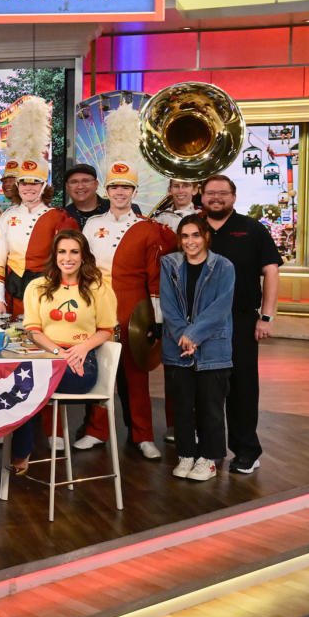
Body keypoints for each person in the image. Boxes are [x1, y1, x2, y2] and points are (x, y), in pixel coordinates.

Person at [76, 160, 170, 460]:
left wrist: (157, 317)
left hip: (134, 306)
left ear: (134, 191)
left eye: (125, 187)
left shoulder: (146, 228)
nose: (120, 192)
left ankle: (143, 435)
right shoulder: (92, 224)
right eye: (115, 186)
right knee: (99, 368)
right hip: (96, 305)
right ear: (107, 189)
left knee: (135, 372)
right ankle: (95, 431)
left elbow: (154, 275)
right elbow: (82, 267)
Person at [8, 230, 116, 474]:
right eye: (62, 252)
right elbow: (33, 331)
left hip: (81, 361)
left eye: (74, 252)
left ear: (84, 256)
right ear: (55, 255)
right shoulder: (37, 287)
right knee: (26, 382)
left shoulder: (99, 288)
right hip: (48, 357)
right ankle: (18, 448)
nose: (68, 258)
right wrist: (60, 353)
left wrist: (80, 349)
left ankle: (19, 453)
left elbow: (106, 330)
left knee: (29, 386)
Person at [201, 173, 281, 474]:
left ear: (233, 197)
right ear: (202, 196)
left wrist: (266, 316)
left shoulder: (252, 229)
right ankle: (208, 449)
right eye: (210, 193)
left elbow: (271, 272)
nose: (216, 197)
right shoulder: (194, 230)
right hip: (201, 323)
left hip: (242, 320)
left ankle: (248, 450)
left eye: (223, 192)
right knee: (205, 388)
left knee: (242, 388)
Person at [160, 215, 235, 482]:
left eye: (195, 235)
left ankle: (209, 458)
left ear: (205, 236)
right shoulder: (168, 264)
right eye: (185, 236)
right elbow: (168, 306)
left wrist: (194, 335)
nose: (190, 241)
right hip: (177, 347)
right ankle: (186, 454)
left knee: (210, 407)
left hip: (212, 349)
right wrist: (183, 335)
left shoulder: (224, 267)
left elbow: (220, 308)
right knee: (181, 405)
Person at [0, 158, 73, 317]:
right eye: (24, 183)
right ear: (17, 186)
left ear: (44, 186)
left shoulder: (59, 217)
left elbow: (69, 265)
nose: (28, 188)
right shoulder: (7, 217)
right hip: (13, 299)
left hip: (49, 300)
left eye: (35, 183)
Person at [61, 163, 110, 229]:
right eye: (74, 182)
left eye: (86, 181)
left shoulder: (114, 210)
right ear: (67, 187)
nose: (80, 186)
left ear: (96, 184)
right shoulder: (62, 217)